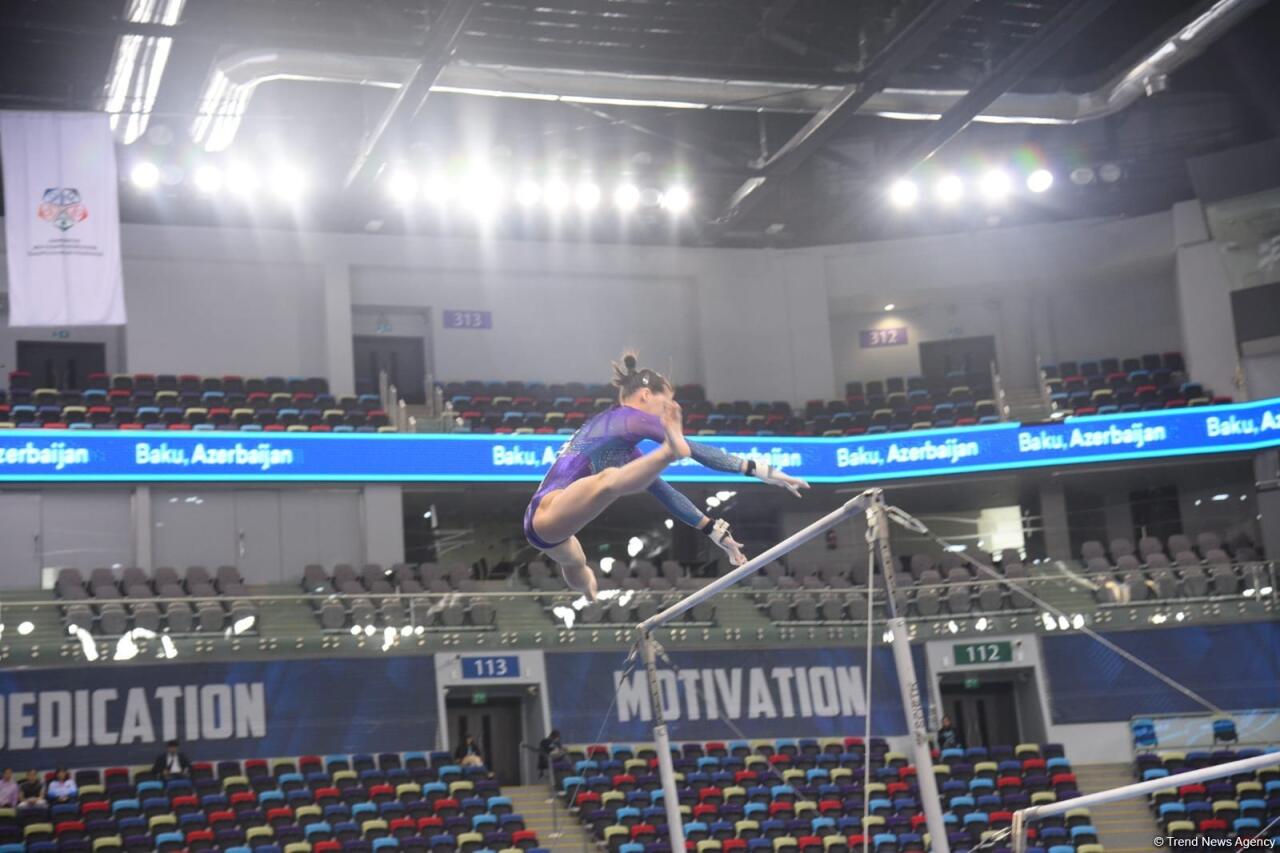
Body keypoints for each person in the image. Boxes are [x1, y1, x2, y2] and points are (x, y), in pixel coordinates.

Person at [524, 353, 810, 598]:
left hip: (552, 525)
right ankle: (666, 453)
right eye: (666, 404)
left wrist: (711, 529)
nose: (667, 412)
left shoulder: (622, 443)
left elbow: (663, 491)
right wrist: (763, 471)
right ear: (646, 395)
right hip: (550, 509)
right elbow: (694, 450)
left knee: (577, 564)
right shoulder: (626, 417)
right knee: (609, 481)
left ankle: (588, 592)